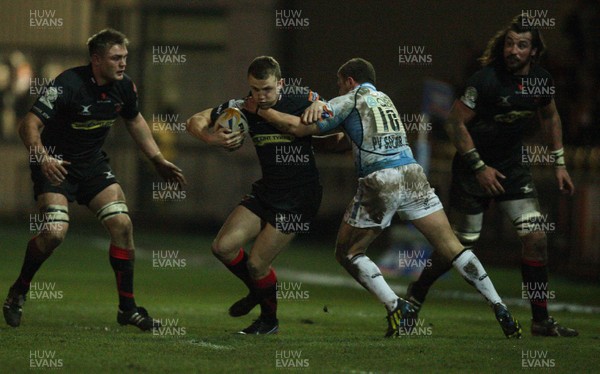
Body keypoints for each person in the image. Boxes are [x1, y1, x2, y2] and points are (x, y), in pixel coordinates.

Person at [246, 57, 521, 338]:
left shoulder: (350, 98)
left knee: (348, 252)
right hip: (412, 174)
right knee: (454, 247)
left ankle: (395, 306)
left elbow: (297, 127)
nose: (338, 89)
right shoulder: (384, 99)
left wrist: (261, 111)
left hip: (382, 179)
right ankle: (500, 306)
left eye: (339, 84)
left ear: (350, 81)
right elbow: (344, 140)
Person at [405, 15, 578, 337]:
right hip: (473, 170)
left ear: (535, 52)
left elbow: (550, 115)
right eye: (510, 43)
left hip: (512, 169)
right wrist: (479, 167)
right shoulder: (484, 80)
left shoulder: (541, 81)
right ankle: (416, 295)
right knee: (459, 246)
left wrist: (559, 162)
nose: (513, 50)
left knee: (536, 239)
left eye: (522, 45)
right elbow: (455, 124)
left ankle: (541, 321)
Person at [3, 28, 186, 331]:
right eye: (116, 58)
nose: (123, 63)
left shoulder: (124, 87)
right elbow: (29, 124)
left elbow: (135, 120)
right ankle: (18, 291)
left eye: (125, 57)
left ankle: (127, 309)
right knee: (54, 234)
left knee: (122, 225)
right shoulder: (67, 84)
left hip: (91, 166)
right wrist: (42, 157)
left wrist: (157, 159)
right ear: (96, 60)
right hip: (56, 165)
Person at [186, 56, 324, 335]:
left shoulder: (301, 98)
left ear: (281, 84)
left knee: (258, 262)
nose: (260, 96)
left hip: (299, 197)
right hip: (268, 190)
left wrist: (322, 105)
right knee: (222, 247)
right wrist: (211, 138)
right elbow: (194, 120)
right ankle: (257, 290)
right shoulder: (241, 107)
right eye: (255, 89)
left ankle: (268, 321)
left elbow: (319, 114)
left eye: (267, 90)